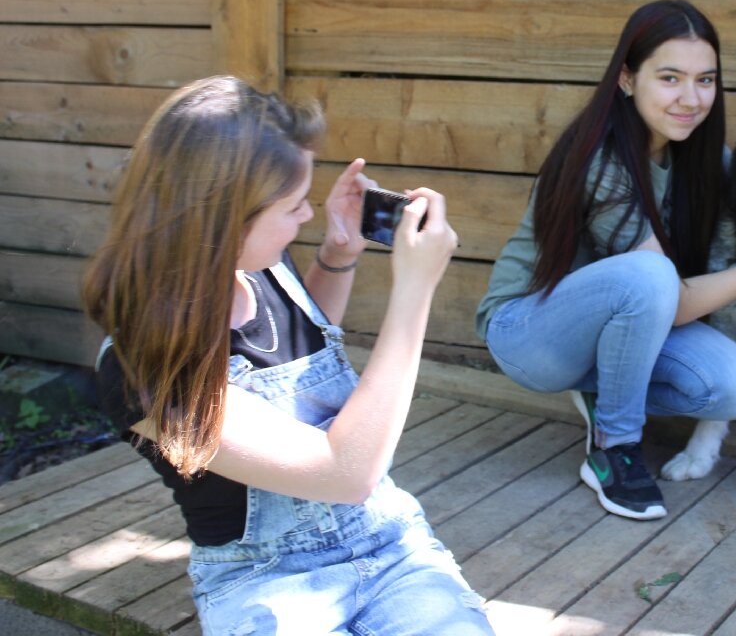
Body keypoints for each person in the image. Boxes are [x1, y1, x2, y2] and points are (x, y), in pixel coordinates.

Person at [83, 77, 494, 636]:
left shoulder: (259, 267)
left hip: (387, 547)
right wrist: (415, 291)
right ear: (222, 220)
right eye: (294, 205)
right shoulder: (141, 367)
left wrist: (338, 254)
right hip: (264, 580)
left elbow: (299, 348)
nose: (306, 216)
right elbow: (345, 473)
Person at [475, 0, 736, 521]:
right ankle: (614, 446)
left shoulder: (700, 155)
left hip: (624, 330)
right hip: (532, 334)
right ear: (627, 79)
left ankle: (601, 394)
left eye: (705, 80)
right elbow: (674, 300)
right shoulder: (599, 159)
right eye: (670, 78)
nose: (691, 99)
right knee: (650, 275)